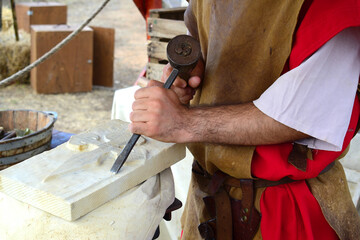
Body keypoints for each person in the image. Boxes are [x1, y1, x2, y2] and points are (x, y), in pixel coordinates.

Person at [130, 0, 360, 239]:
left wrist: (183, 122)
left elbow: (308, 113)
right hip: (208, 196)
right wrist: (194, 66)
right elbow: (200, 26)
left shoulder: (330, 4)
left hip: (285, 213)